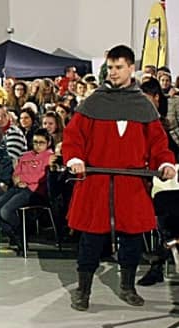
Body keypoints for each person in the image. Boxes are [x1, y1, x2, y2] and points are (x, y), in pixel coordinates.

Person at [63, 45, 176, 312]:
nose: (113, 72)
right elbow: (73, 137)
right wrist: (75, 158)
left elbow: (158, 143)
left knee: (133, 238)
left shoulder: (143, 106)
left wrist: (165, 163)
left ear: (131, 69)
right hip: (96, 182)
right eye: (110, 67)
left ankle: (127, 286)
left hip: (131, 183)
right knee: (91, 239)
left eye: (119, 67)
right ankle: (83, 289)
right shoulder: (93, 102)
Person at [137, 78, 179, 286]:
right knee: (162, 214)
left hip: (172, 178)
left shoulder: (164, 125)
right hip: (158, 181)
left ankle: (159, 257)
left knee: (166, 212)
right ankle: (161, 255)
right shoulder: (142, 124)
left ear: (156, 98)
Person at [0, 128, 53, 252]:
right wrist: (17, 180)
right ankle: (16, 234)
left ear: (48, 143)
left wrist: (23, 179)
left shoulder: (50, 157)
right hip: (18, 187)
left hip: (34, 191)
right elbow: (16, 173)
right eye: (35, 142)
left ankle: (21, 235)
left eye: (41, 143)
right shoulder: (26, 156)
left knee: (6, 211)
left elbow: (41, 176)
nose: (37, 145)